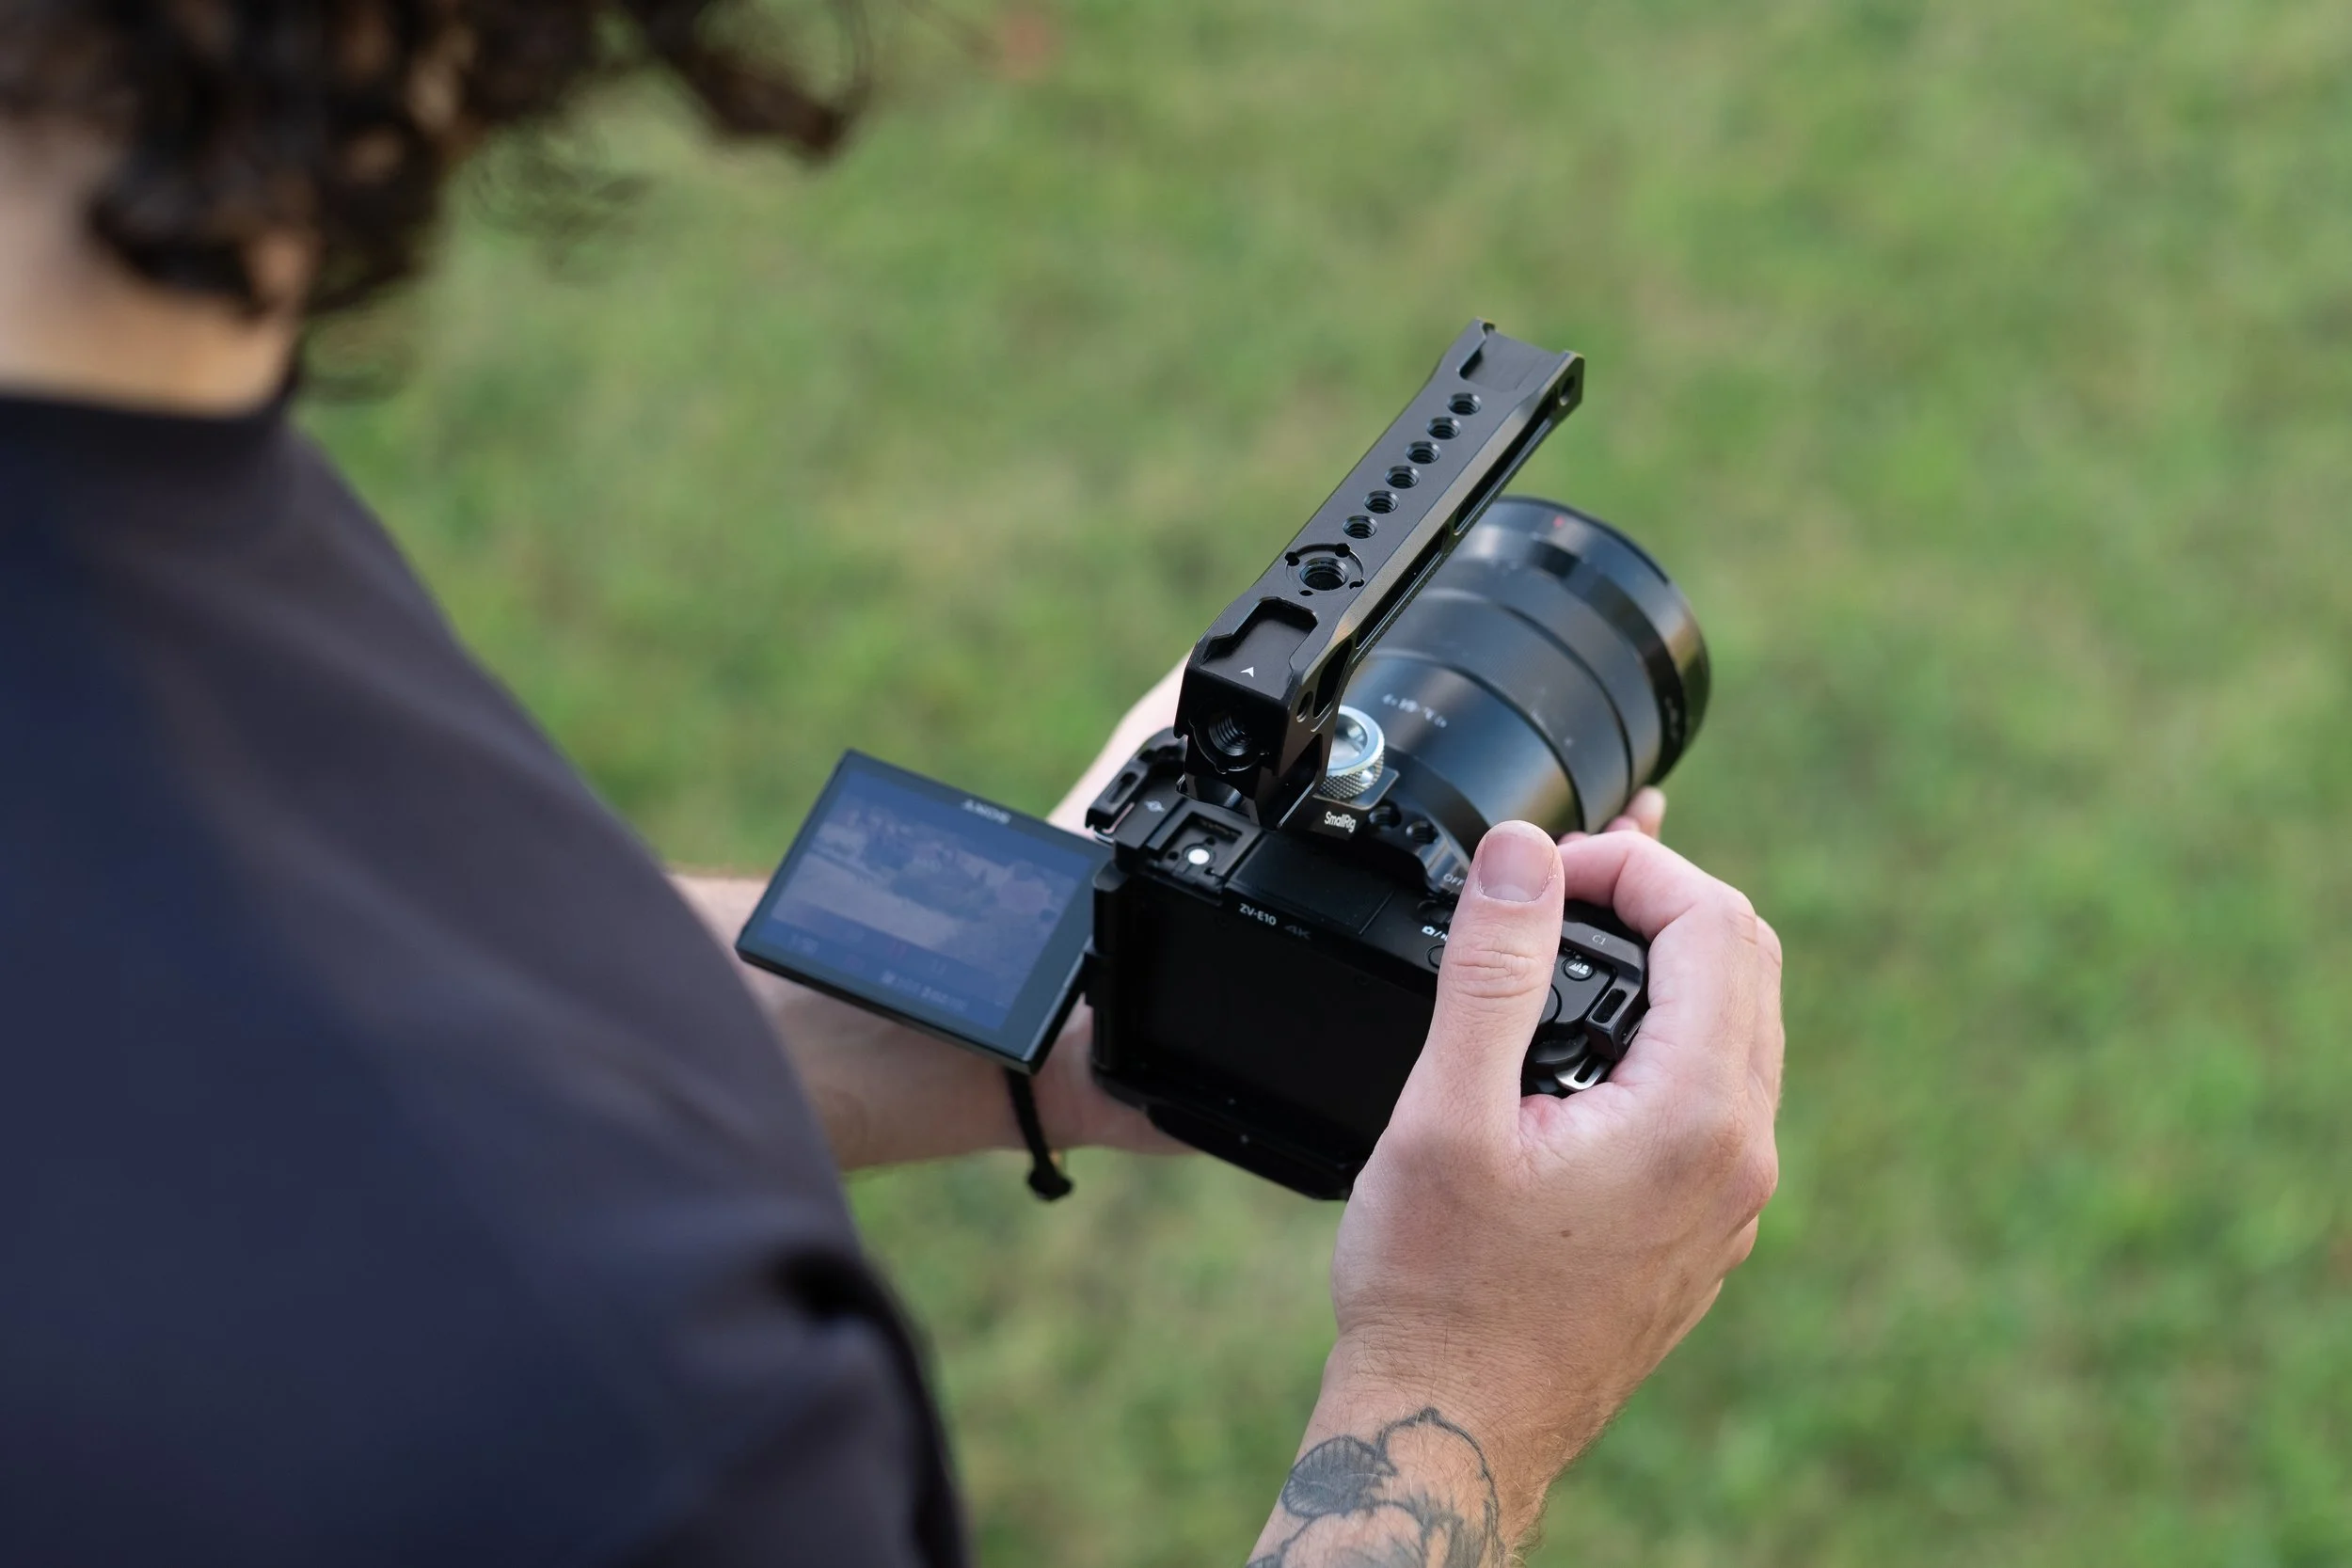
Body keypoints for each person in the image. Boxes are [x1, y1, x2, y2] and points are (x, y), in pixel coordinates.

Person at [0, 5, 1784, 1564]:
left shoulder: (129, 520)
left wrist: (1079, 991)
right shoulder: (637, 1423)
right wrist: (1463, 1395)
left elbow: (286, 1004)